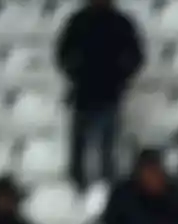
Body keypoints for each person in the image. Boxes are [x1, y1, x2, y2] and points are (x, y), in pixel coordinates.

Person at [55, 0, 145, 191]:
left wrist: (121, 75)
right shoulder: (79, 22)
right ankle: (77, 186)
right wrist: (75, 72)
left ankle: (107, 187)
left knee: (107, 148)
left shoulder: (120, 23)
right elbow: (62, 54)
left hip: (109, 94)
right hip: (84, 93)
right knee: (80, 147)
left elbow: (136, 56)